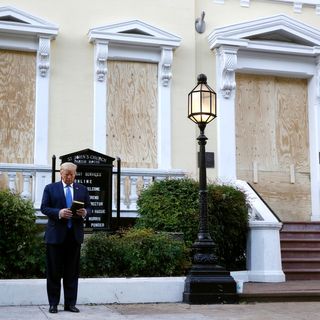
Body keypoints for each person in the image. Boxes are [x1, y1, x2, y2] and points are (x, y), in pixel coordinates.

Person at [41, 162, 91, 314]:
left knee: (72, 273)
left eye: (72, 174)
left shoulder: (81, 189)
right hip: (55, 237)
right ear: (61, 173)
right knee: (54, 272)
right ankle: (53, 304)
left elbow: (89, 207)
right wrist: (59, 212)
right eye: (66, 174)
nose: (69, 177)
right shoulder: (50, 188)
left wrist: (85, 212)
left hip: (74, 237)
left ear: (75, 174)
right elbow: (44, 207)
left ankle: (70, 304)